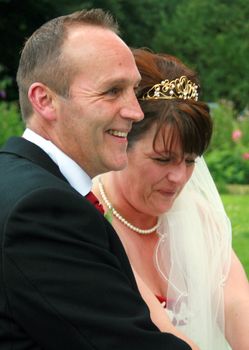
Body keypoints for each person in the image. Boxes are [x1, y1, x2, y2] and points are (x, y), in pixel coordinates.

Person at [0, 9, 194, 350]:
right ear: (44, 100)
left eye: (133, 90)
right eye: (112, 91)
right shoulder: (43, 211)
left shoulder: (15, 176)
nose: (135, 111)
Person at [93, 48, 249, 350]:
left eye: (190, 160)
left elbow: (236, 306)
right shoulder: (90, 220)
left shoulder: (199, 217)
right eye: (163, 159)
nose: (179, 177)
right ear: (120, 143)